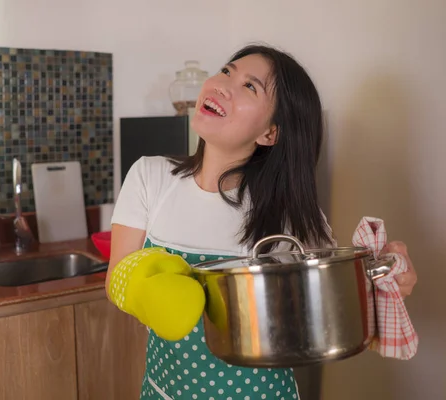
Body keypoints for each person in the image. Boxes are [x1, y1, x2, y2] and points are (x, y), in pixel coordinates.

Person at [105, 44, 418, 399]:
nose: (223, 85)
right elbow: (117, 277)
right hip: (164, 391)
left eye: (249, 86)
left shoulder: (287, 213)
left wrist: (389, 277)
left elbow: (339, 295)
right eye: (226, 71)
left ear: (270, 134)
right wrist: (155, 291)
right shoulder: (149, 176)